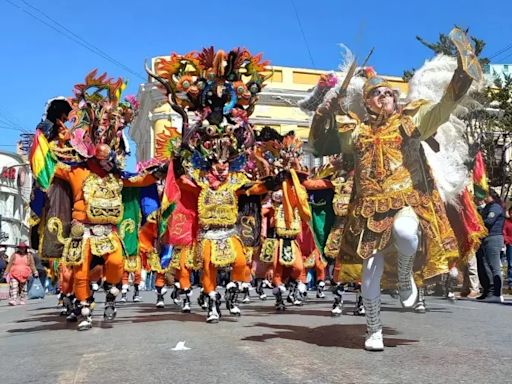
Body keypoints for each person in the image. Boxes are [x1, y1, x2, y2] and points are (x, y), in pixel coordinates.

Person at [307, 28, 482, 351]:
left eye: (389, 93)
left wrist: (463, 70)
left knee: (405, 233)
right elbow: (321, 142)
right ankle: (374, 330)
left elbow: (445, 104)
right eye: (378, 94)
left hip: (406, 202)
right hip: (369, 210)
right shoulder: (355, 132)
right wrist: (325, 113)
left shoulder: (410, 121)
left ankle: (404, 275)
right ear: (368, 102)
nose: (386, 97)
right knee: (369, 275)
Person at [476, 190, 505, 302]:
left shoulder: (495, 207)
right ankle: (488, 291)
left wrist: (477, 223)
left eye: (485, 196)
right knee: (484, 266)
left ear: (491, 196)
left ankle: (497, 293)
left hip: (493, 238)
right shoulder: (487, 207)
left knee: (494, 267)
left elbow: (488, 221)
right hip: (485, 238)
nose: (483, 198)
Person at [502, 206, 512, 291]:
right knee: (511, 264)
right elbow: (504, 233)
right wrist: (507, 241)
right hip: (510, 245)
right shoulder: (506, 222)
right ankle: (510, 282)